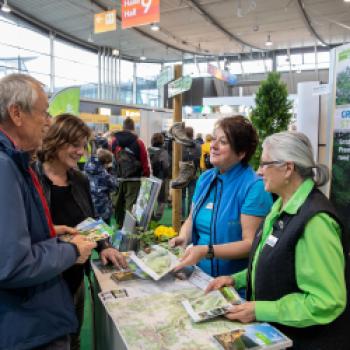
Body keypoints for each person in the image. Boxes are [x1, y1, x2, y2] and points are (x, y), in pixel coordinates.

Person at [206, 131, 350, 350]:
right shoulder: (281, 205)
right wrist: (237, 280)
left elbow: (327, 301)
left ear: (288, 168)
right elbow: (277, 263)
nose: (259, 171)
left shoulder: (315, 222)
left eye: (265, 165)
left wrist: (259, 309)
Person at [0, 74, 96, 350]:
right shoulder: (7, 167)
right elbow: (12, 263)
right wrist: (72, 251)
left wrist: (50, 232)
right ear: (17, 113)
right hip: (28, 320)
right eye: (43, 112)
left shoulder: (19, 164)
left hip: (44, 308)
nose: (47, 121)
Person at [34, 113, 127, 350]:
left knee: (73, 340)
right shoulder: (31, 179)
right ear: (56, 141)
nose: (80, 152)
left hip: (75, 280)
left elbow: (90, 221)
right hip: (43, 284)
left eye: (83, 146)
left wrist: (104, 246)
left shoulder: (80, 179)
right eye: (75, 145)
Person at [171, 116, 272, 279]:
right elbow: (190, 219)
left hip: (233, 285)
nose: (213, 146)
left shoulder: (254, 187)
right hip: (199, 277)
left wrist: (207, 251)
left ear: (241, 153)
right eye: (214, 139)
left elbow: (250, 244)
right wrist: (183, 237)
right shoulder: (205, 179)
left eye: (223, 142)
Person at [111, 117, 150, 227]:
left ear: (123, 127)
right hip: (134, 179)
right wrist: (146, 174)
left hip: (118, 178)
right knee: (131, 205)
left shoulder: (115, 141)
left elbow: (112, 158)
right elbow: (144, 160)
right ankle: (129, 229)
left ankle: (119, 225)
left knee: (118, 203)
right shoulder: (138, 142)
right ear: (133, 128)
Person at [85, 148, 118, 224]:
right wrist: (111, 172)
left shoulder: (87, 168)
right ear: (106, 162)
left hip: (90, 205)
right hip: (102, 207)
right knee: (105, 231)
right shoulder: (103, 174)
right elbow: (114, 186)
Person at [148, 132, 170, 220]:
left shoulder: (148, 149)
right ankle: (157, 217)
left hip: (149, 177)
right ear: (162, 141)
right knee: (162, 199)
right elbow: (166, 165)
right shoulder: (163, 152)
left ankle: (150, 215)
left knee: (149, 198)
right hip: (161, 177)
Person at [182, 126, 201, 218]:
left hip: (181, 174)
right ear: (192, 134)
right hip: (193, 173)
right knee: (191, 195)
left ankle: (181, 216)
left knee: (181, 196)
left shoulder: (179, 145)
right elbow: (198, 158)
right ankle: (190, 216)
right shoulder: (197, 146)